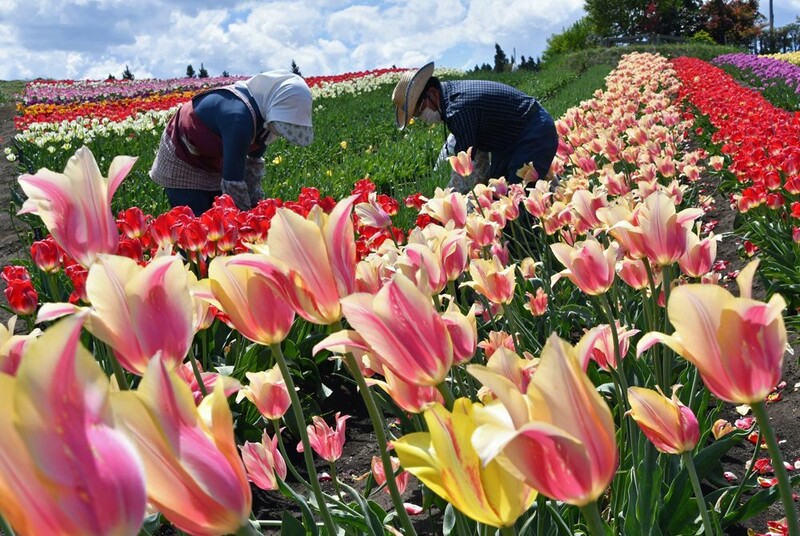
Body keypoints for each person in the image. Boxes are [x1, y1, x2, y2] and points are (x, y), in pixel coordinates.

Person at [150, 70, 314, 215]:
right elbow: (233, 185)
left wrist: (259, 210)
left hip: (214, 158)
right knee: (197, 223)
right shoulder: (238, 120)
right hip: (182, 157)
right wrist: (247, 221)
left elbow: (252, 168)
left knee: (218, 222)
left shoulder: (266, 119)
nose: (281, 131)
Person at [392, 62, 558, 193]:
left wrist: (447, 202)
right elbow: (479, 159)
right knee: (499, 190)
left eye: (420, 109)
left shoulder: (457, 109)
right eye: (416, 115)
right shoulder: (451, 96)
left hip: (532, 130)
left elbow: (466, 168)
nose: (422, 117)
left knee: (519, 197)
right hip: (509, 138)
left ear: (433, 92)